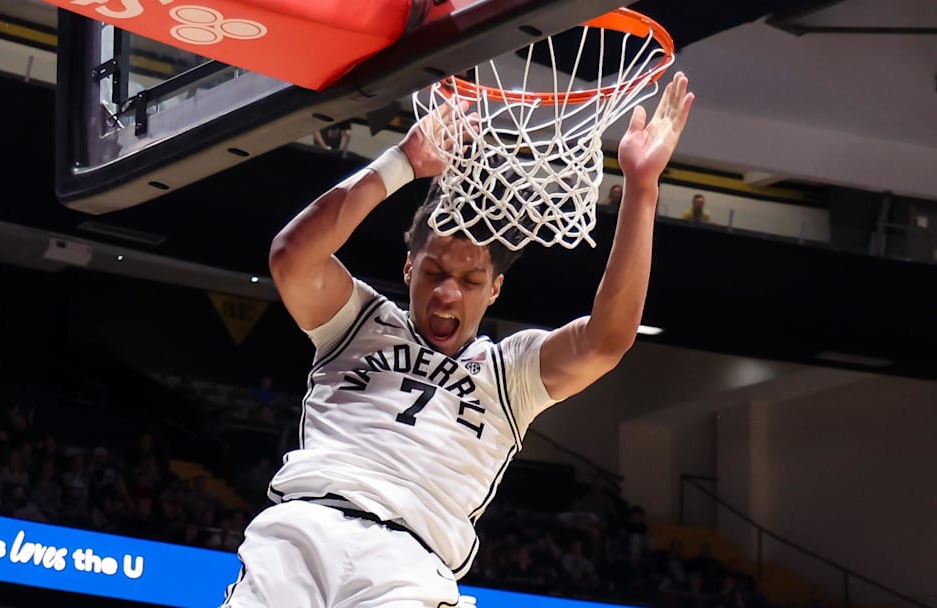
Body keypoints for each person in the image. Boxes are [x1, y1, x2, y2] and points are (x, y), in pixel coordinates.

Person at [221, 72, 694, 607]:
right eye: (434, 273)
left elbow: (607, 341)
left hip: (410, 567)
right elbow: (292, 256)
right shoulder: (357, 320)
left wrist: (642, 188)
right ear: (407, 268)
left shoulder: (508, 372)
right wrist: (402, 161)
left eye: (469, 282)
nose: (448, 293)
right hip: (306, 528)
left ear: (494, 291)